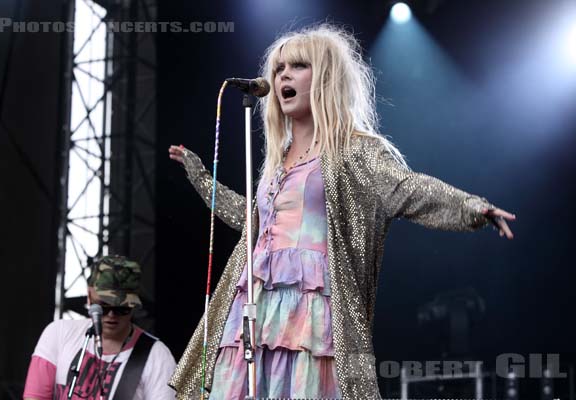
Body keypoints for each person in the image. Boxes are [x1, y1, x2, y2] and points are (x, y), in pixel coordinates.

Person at [167, 23, 515, 400]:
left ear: (326, 78)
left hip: (310, 314)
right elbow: (250, 220)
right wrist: (201, 177)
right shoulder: (275, 164)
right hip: (254, 310)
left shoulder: (351, 151)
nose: (283, 74)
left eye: (298, 66)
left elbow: (405, 188)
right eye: (279, 68)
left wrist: (472, 207)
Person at [23, 255, 177, 400]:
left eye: (121, 308)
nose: (111, 315)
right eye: (103, 306)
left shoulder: (157, 356)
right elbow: (35, 396)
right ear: (89, 295)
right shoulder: (58, 333)